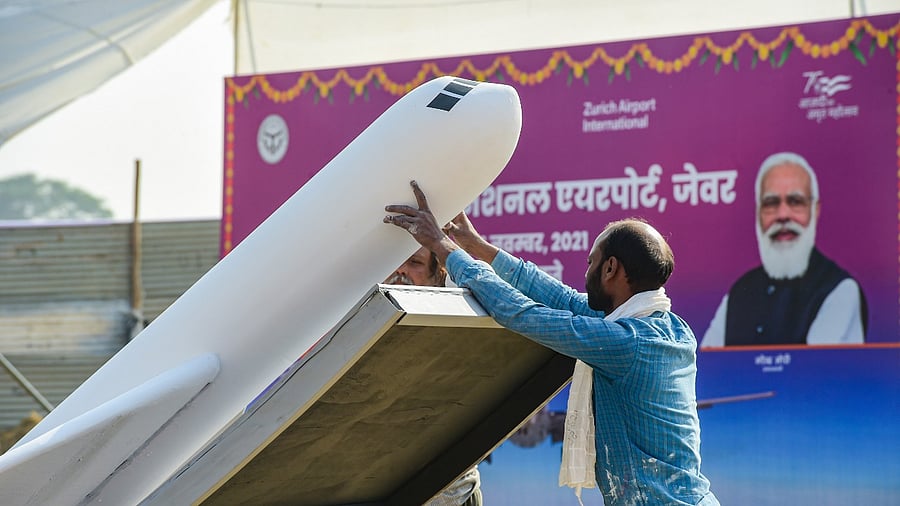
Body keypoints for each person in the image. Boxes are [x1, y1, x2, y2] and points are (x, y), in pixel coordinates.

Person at [384, 181, 718, 506]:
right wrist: (478, 248)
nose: (586, 273)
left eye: (592, 262)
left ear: (611, 268)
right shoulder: (665, 327)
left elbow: (521, 313)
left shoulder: (628, 343)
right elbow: (563, 299)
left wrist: (444, 248)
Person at [702, 152, 867, 347]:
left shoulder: (840, 290)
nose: (783, 215)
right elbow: (709, 361)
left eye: (795, 202)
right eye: (771, 204)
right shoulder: (739, 293)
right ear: (758, 213)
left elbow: (815, 371)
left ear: (814, 210)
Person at [383, 246, 482, 506]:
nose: (401, 270)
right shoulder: (369, 323)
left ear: (439, 274)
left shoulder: (456, 327)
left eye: (415, 262)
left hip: (448, 493)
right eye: (396, 260)